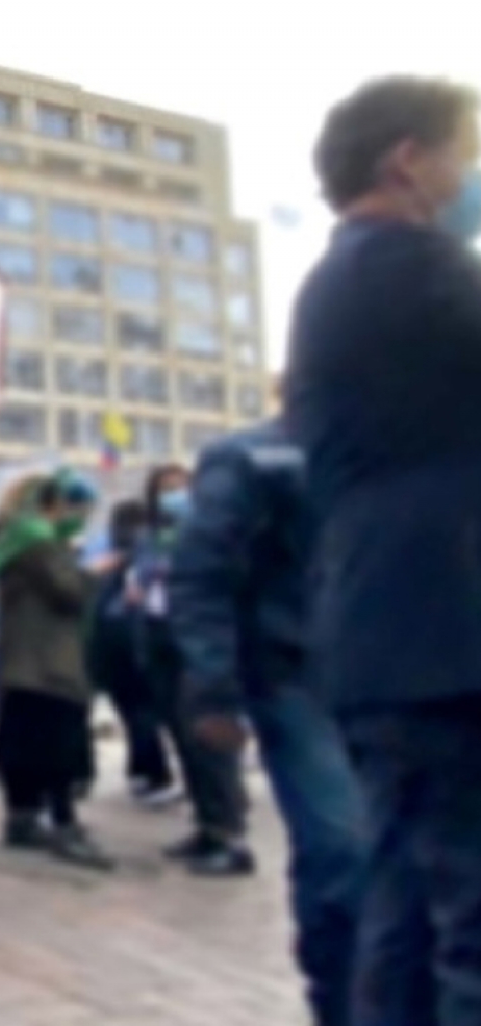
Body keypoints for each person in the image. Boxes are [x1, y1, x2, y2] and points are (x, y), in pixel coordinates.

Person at [283, 76, 480, 1023]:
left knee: (403, 920)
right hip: (447, 640)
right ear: (410, 159)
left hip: (386, 643)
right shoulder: (417, 271)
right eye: (466, 152)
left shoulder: (341, 280)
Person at [169, 419, 368, 1026]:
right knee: (344, 853)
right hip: (297, 678)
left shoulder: (410, 443)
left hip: (402, 678)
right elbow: (201, 574)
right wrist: (213, 690)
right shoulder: (256, 459)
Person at [0, 470, 111, 869]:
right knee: (58, 746)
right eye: (68, 505)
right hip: (50, 661)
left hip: (22, 661)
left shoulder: (11, 538)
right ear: (50, 504)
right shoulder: (37, 540)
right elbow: (69, 592)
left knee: (23, 742)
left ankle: (22, 819)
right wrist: (95, 572)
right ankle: (63, 824)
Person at [136, 464, 254, 876]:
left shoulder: (211, 532)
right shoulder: (152, 535)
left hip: (199, 644)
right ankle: (207, 825)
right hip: (160, 636)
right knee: (184, 736)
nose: (173, 495)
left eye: (180, 487)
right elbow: (144, 574)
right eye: (165, 488)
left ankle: (230, 833)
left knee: (211, 738)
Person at [86, 499, 177, 803]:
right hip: (136, 639)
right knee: (143, 710)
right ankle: (152, 774)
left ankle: (142, 771)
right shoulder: (146, 552)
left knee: (131, 710)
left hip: (108, 642)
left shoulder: (108, 551)